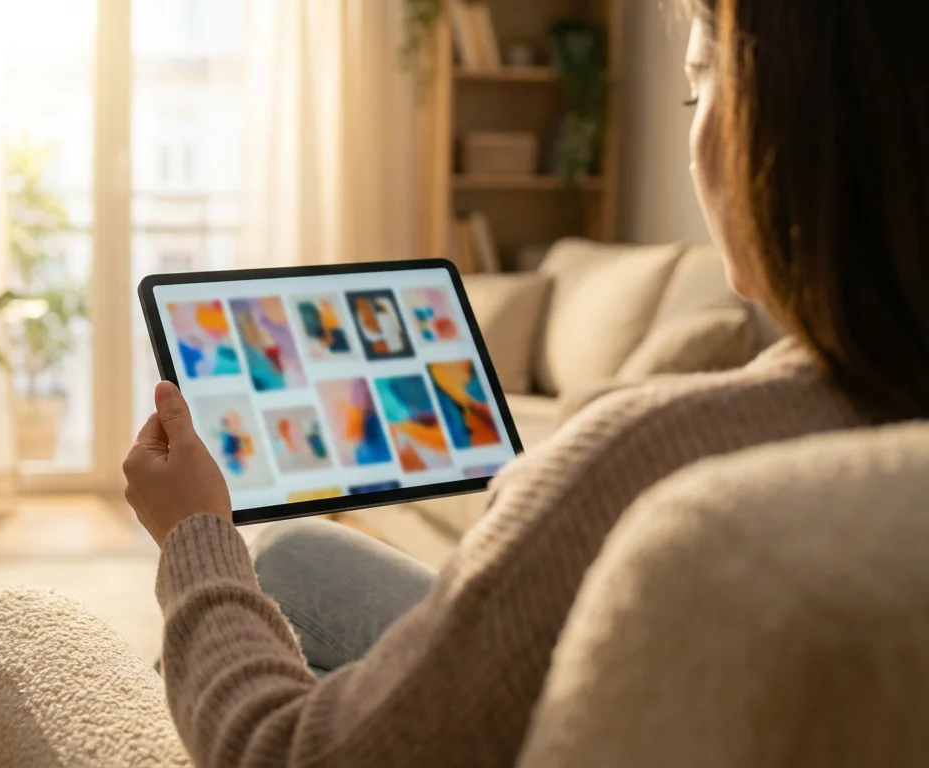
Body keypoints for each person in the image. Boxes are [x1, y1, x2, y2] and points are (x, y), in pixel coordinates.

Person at [122, 1, 929, 765]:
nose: (694, 141)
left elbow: (283, 752)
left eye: (696, 92)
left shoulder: (633, 466)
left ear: (771, 127)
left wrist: (196, 533)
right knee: (294, 554)